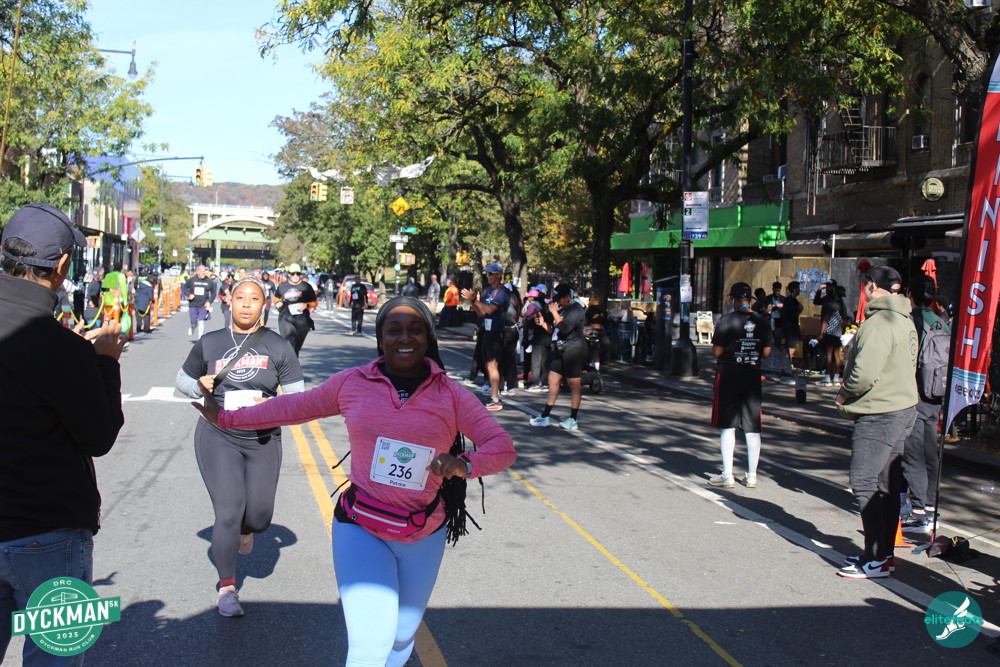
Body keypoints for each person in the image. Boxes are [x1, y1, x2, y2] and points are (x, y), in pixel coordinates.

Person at [193, 296, 516, 665]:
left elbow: (502, 448)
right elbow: (292, 407)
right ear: (381, 337)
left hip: (423, 531)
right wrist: (226, 418)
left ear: (427, 338)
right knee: (370, 644)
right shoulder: (353, 383)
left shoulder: (452, 395)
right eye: (394, 330)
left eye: (414, 330)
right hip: (361, 527)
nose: (404, 338)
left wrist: (463, 465)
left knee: (401, 638)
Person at [0, 204, 126, 664]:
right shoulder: (64, 349)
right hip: (47, 531)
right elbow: (99, 436)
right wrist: (106, 364)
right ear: (62, 266)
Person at [176, 277, 304, 617]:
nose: (246, 303)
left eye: (254, 298)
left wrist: (272, 403)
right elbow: (182, 380)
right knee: (229, 510)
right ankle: (227, 588)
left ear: (265, 305)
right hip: (218, 433)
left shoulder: (278, 346)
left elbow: (298, 396)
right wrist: (198, 386)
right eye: (240, 297)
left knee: (259, 516)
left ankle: (248, 529)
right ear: (228, 302)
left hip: (262, 438)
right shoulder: (210, 342)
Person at [835, 266, 918, 579]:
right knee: (887, 484)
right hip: (901, 406)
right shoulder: (905, 319)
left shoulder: (878, 322)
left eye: (864, 285)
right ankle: (883, 554)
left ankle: (875, 557)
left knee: (864, 480)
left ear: (871, 287)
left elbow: (864, 373)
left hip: (879, 411)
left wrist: (844, 393)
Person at [707, 282, 772, 488]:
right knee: (752, 426)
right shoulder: (762, 321)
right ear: (749, 299)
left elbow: (717, 351)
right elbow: (766, 353)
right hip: (752, 375)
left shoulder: (726, 320)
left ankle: (727, 474)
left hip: (728, 373)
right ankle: (751, 475)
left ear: (732, 299)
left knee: (728, 425)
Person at [901, 275, 949, 534]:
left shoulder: (911, 321)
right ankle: (930, 507)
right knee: (931, 451)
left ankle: (918, 513)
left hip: (915, 393)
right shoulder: (941, 322)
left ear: (911, 295)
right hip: (935, 394)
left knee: (913, 452)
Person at [529, 283, 588, 430]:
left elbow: (565, 328)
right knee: (553, 381)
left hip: (574, 349)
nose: (556, 302)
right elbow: (553, 330)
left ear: (567, 297)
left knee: (573, 384)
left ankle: (573, 418)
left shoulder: (576, 310)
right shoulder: (563, 309)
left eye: (559, 299)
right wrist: (543, 324)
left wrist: (554, 312)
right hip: (560, 348)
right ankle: (545, 415)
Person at [461, 263, 509, 411]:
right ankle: (493, 394)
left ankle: (495, 398)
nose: (488, 276)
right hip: (487, 331)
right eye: (487, 274)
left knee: (493, 364)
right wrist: (471, 301)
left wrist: (474, 300)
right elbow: (481, 312)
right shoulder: (488, 291)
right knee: (488, 364)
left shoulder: (502, 292)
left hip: (496, 332)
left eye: (491, 274)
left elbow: (489, 309)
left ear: (499, 275)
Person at [274, 264, 318, 356]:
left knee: (296, 348)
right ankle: (290, 363)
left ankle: (293, 360)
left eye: (297, 274)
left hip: (302, 320)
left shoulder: (306, 287)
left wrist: (306, 305)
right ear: (289, 274)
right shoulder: (282, 286)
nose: (295, 276)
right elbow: (276, 298)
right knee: (289, 344)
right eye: (292, 274)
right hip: (285, 318)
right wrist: (278, 303)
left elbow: (315, 302)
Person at [816, 280, 848, 385]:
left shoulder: (831, 304)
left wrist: (821, 333)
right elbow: (845, 321)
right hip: (838, 333)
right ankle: (836, 378)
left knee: (829, 355)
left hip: (829, 332)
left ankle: (827, 378)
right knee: (836, 355)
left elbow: (826, 319)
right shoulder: (843, 305)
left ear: (834, 292)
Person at [183, 264, 217, 338]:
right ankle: (193, 326)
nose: (203, 273)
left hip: (203, 304)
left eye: (204, 271)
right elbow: (185, 288)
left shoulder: (209, 281)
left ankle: (200, 338)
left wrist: (209, 302)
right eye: (201, 271)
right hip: (193, 304)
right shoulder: (192, 280)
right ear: (197, 272)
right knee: (194, 321)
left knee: (201, 320)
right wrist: (189, 295)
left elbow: (213, 293)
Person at [781, 281, 803, 364]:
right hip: (791, 329)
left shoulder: (787, 300)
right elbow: (792, 316)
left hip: (787, 328)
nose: (799, 290)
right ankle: (786, 364)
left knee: (789, 348)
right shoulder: (792, 301)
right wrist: (798, 311)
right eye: (798, 288)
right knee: (791, 349)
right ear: (795, 289)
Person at [133, 268, 156, 333]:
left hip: (137, 302)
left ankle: (138, 328)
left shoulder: (140, 285)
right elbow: (150, 296)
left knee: (138, 317)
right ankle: (146, 328)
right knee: (146, 316)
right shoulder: (149, 288)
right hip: (145, 303)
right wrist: (152, 300)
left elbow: (136, 290)